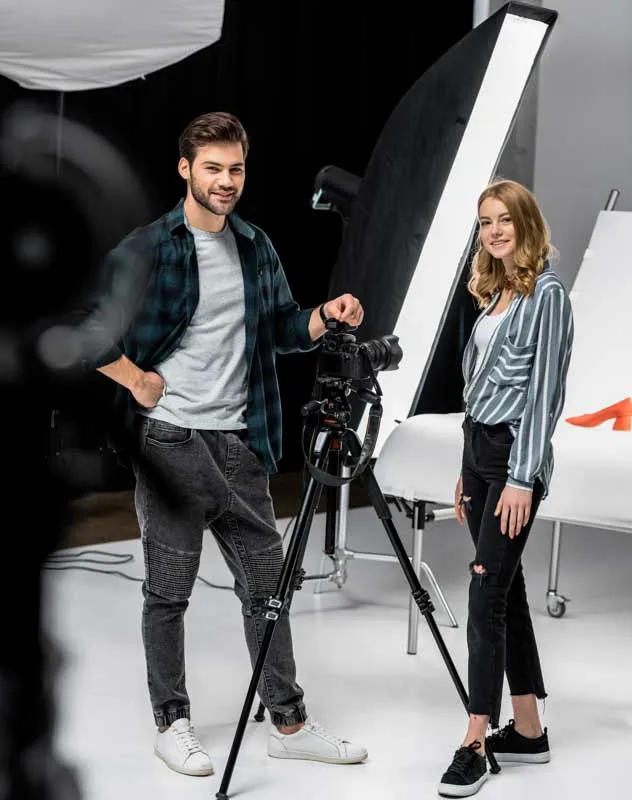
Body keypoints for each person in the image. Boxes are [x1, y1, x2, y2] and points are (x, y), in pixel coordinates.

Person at [87, 111, 368, 777]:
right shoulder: (149, 247)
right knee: (169, 591)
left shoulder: (254, 245)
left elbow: (278, 328)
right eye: (212, 168)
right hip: (172, 442)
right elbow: (81, 325)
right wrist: (135, 380)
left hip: (241, 443)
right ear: (185, 169)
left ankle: (289, 722)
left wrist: (323, 317)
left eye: (235, 168)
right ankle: (172, 722)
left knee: (268, 590)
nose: (226, 180)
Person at [437, 178, 574, 797]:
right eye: (485, 222)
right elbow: (478, 395)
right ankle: (528, 730)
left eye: (504, 220)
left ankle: (474, 739)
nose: (494, 231)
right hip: (480, 452)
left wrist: (522, 476)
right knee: (508, 590)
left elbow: (544, 395)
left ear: (525, 222)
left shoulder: (547, 295)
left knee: (483, 593)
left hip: (515, 457)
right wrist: (469, 471)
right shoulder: (493, 296)